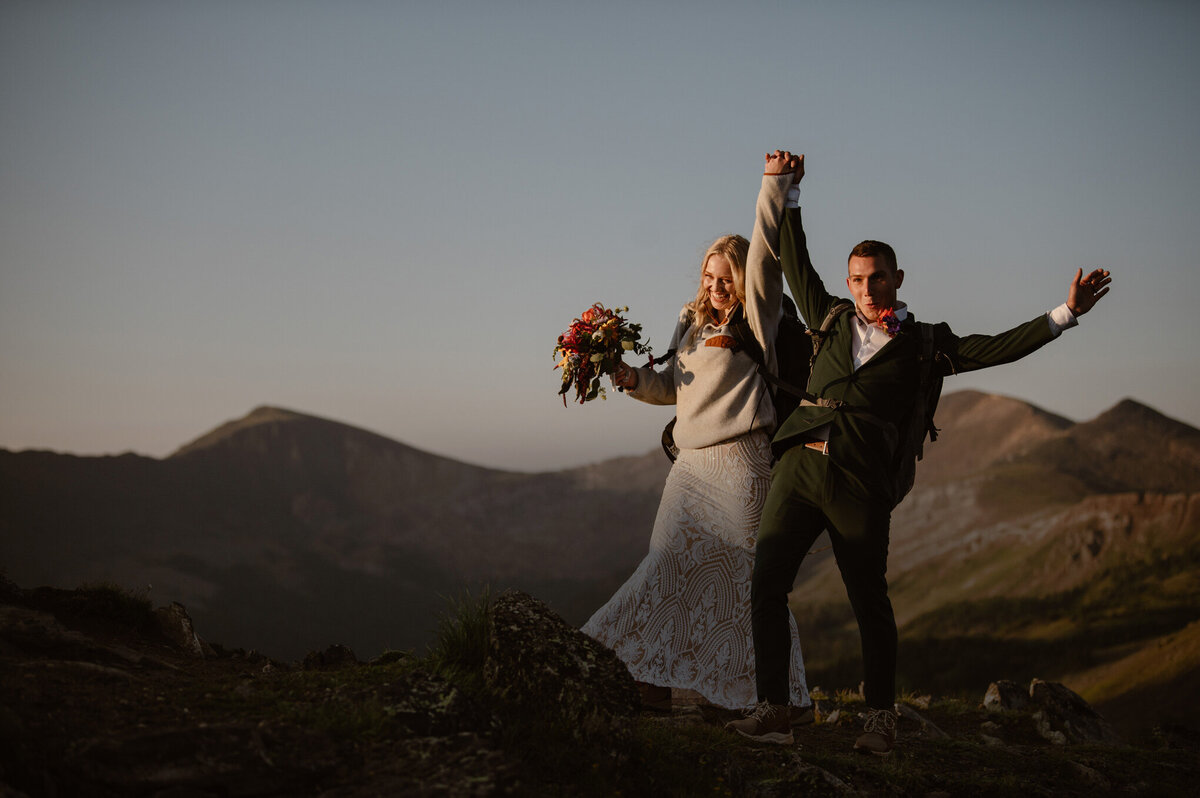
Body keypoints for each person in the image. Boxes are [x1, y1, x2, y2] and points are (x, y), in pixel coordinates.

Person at [726, 150, 1112, 754]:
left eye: (876, 277)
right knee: (766, 583)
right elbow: (794, 259)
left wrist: (1065, 314)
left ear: (897, 279)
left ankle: (879, 719)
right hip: (800, 466)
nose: (865, 289)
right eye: (856, 278)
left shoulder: (928, 344)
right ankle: (775, 708)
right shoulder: (827, 316)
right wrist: (789, 190)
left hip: (861, 483)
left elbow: (997, 347)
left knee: (869, 603)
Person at [580, 155, 811, 716]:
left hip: (742, 466)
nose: (715, 287)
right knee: (664, 565)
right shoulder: (690, 322)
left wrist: (773, 187)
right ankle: (649, 676)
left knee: (745, 579)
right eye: (709, 278)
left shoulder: (759, 319)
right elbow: (673, 390)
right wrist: (632, 378)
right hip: (690, 471)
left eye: (725, 279)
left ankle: (774, 696)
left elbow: (764, 257)